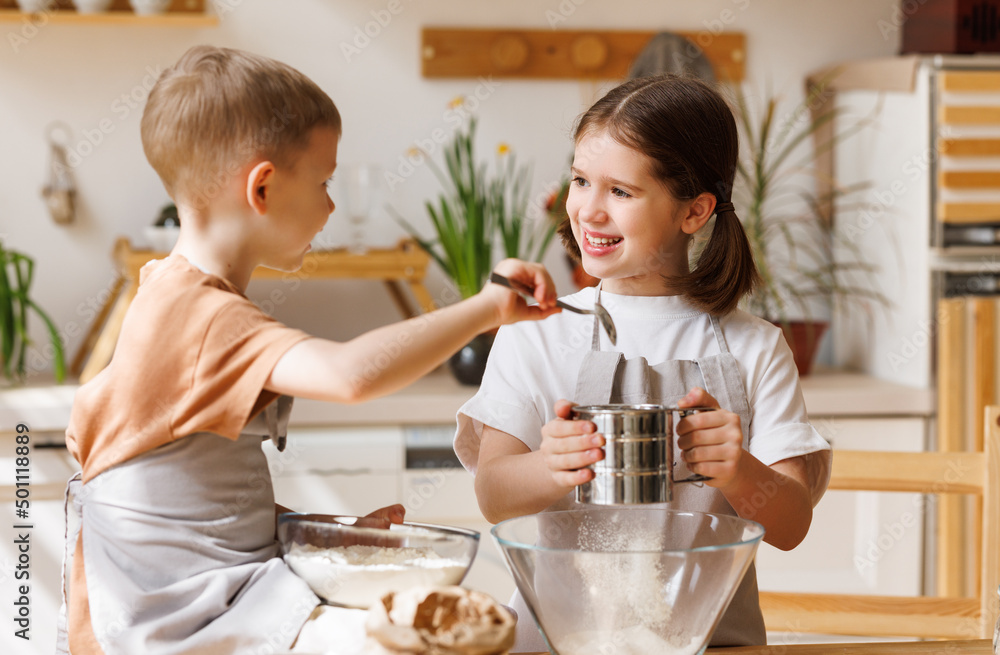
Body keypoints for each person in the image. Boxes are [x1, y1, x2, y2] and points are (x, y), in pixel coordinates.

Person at [58, 45, 560, 655]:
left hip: (220, 593)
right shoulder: (201, 316)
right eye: (323, 182)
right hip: (187, 620)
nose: (329, 205)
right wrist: (488, 306)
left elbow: (198, 500)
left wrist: (321, 536)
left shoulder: (175, 292)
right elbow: (350, 376)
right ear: (262, 187)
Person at [454, 74, 832, 651]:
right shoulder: (536, 332)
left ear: (694, 211)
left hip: (710, 643)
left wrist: (738, 470)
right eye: (581, 181)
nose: (588, 210)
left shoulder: (756, 347)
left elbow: (792, 527)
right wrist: (549, 466)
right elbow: (494, 494)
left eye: (621, 192)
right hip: (557, 640)